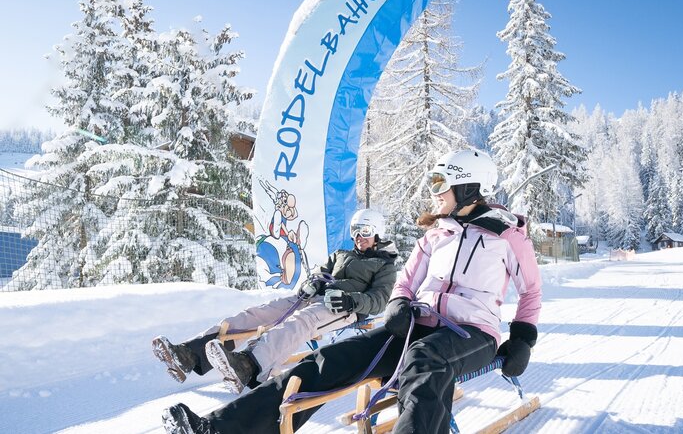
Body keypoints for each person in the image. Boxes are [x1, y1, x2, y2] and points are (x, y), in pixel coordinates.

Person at [161, 149, 542, 434]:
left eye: (441, 184)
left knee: (426, 361)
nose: (435, 192)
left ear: (469, 186)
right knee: (327, 359)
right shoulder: (435, 234)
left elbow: (530, 293)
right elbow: (408, 280)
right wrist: (398, 304)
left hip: (471, 335)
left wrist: (521, 340)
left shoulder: (506, 236)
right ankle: (219, 428)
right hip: (416, 327)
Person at [152, 208, 398, 394]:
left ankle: (250, 364)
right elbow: (319, 273)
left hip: (342, 309)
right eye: (355, 231)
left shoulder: (384, 265)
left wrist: (349, 301)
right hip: (315, 297)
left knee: (302, 321)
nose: (359, 237)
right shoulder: (341, 254)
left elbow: (379, 300)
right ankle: (190, 354)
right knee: (260, 313)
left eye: (365, 232)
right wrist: (312, 283)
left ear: (377, 232)